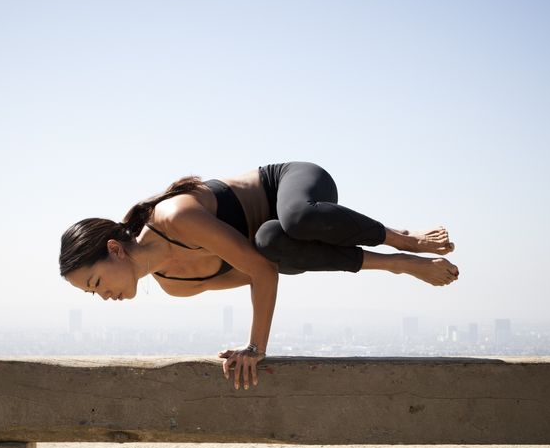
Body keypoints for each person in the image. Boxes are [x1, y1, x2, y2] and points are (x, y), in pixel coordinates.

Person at [60, 162, 459, 391]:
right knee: (270, 242)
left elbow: (261, 272)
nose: (104, 296)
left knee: (287, 224)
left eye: (96, 283)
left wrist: (255, 347)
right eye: (92, 294)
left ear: (114, 249)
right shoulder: (173, 285)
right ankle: (400, 264)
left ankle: (403, 239)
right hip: (283, 244)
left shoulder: (174, 218)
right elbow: (263, 272)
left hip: (296, 190)